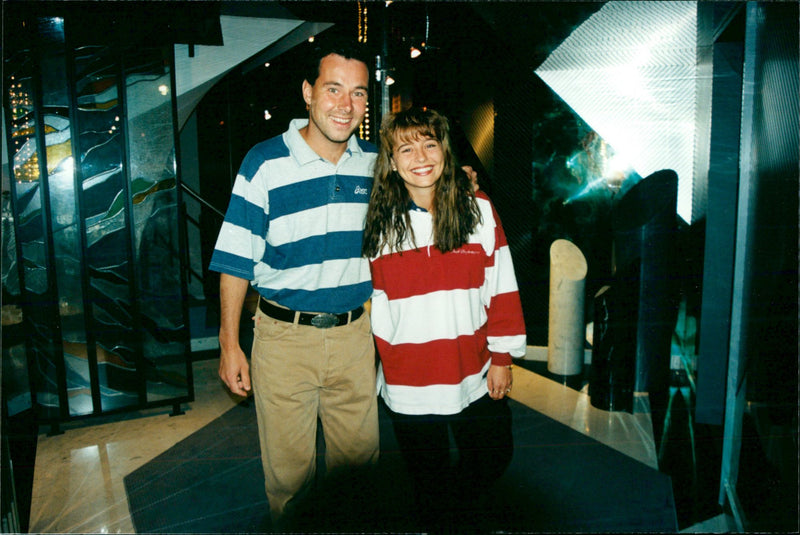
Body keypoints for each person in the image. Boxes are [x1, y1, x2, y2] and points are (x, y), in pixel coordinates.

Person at [208, 39, 380, 527]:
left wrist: (462, 180)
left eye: (359, 93)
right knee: (290, 483)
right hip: (283, 341)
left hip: (354, 337)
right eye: (333, 89)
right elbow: (235, 259)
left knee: (361, 477)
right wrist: (229, 344)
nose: (346, 105)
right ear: (307, 93)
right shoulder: (263, 163)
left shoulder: (375, 164)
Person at [362, 107, 527, 531]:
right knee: (426, 480)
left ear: (445, 151)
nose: (420, 156)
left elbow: (502, 285)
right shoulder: (377, 224)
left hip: (472, 370)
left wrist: (503, 356)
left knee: (493, 455)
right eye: (406, 147)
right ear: (392, 161)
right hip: (409, 381)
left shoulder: (479, 211)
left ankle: (457, 511)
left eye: (429, 144)